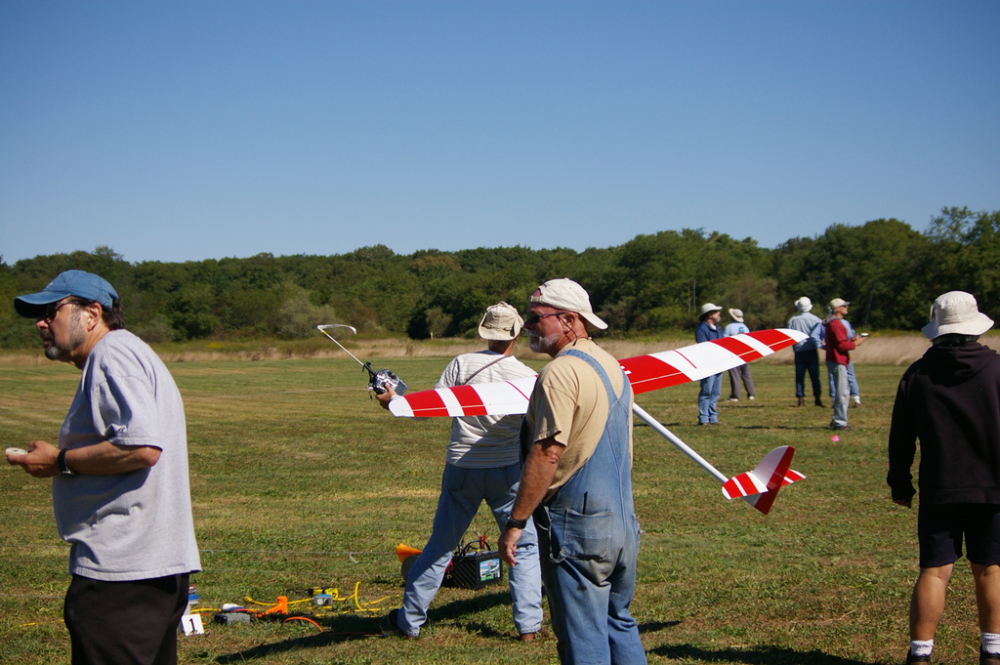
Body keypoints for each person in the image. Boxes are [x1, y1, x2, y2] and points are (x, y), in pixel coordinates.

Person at [5, 270, 201, 665]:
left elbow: (142, 447)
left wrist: (57, 460)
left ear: (92, 314)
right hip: (150, 570)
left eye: (51, 310)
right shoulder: (128, 352)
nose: (42, 322)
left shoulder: (111, 354)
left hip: (121, 577)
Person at [498, 278, 646, 665]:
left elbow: (548, 452)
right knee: (619, 621)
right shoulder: (612, 364)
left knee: (582, 637)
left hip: (579, 527)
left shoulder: (560, 373)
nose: (527, 326)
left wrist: (516, 522)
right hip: (622, 523)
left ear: (568, 319)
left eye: (535, 317)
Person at [377, 302, 542, 640]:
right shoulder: (528, 376)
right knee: (523, 547)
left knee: (440, 546)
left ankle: (409, 623)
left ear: (485, 330)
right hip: (507, 470)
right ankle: (528, 627)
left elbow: (427, 412)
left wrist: (392, 400)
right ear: (516, 333)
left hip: (462, 468)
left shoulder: (461, 364)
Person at [887, 291, 1000, 665]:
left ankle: (920, 655)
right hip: (993, 488)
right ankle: (993, 651)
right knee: (990, 569)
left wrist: (900, 484)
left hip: (940, 487)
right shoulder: (998, 369)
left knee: (934, 572)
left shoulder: (917, 374)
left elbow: (901, 438)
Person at [824, 298, 865, 430]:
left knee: (842, 391)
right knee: (842, 392)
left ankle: (837, 419)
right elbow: (841, 346)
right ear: (837, 309)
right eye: (844, 306)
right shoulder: (836, 324)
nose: (847, 307)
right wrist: (855, 343)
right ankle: (840, 423)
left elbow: (839, 341)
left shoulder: (834, 323)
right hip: (838, 360)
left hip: (836, 360)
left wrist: (851, 340)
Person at [810, 311, 864, 408]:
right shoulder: (844, 323)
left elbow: (814, 335)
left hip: (834, 354)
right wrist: (854, 341)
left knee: (834, 378)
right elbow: (849, 337)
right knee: (850, 375)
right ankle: (856, 399)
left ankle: (835, 400)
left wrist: (822, 346)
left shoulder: (825, 323)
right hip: (844, 353)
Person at [787, 297, 824, 407]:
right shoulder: (815, 319)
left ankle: (800, 399)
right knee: (814, 377)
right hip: (811, 349)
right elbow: (820, 334)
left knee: (799, 376)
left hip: (799, 351)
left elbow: (790, 335)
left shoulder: (793, 320)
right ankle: (817, 399)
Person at [695, 303, 724, 425]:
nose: (719, 314)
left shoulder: (718, 328)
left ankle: (713, 417)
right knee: (706, 391)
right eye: (716, 312)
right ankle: (703, 418)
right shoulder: (702, 328)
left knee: (716, 392)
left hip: (719, 363)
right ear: (709, 314)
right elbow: (703, 346)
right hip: (708, 363)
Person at [723, 308, 755, 402]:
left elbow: (724, 341)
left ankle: (735, 396)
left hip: (733, 353)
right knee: (746, 374)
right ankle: (751, 394)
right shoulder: (745, 327)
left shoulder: (729, 327)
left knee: (735, 375)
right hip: (745, 353)